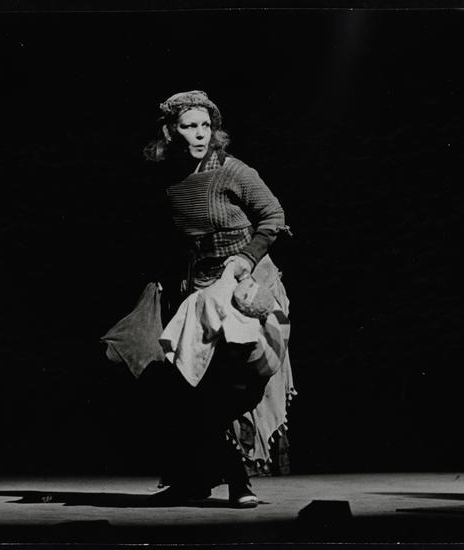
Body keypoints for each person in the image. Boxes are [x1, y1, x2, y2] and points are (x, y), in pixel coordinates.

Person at [107, 90, 295, 508]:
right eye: (189, 126)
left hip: (244, 286)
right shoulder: (168, 180)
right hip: (197, 289)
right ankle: (210, 480)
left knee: (232, 385)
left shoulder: (233, 170)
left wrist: (245, 259)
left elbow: (273, 216)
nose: (199, 134)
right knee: (183, 383)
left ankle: (225, 478)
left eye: (206, 126)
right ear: (171, 132)